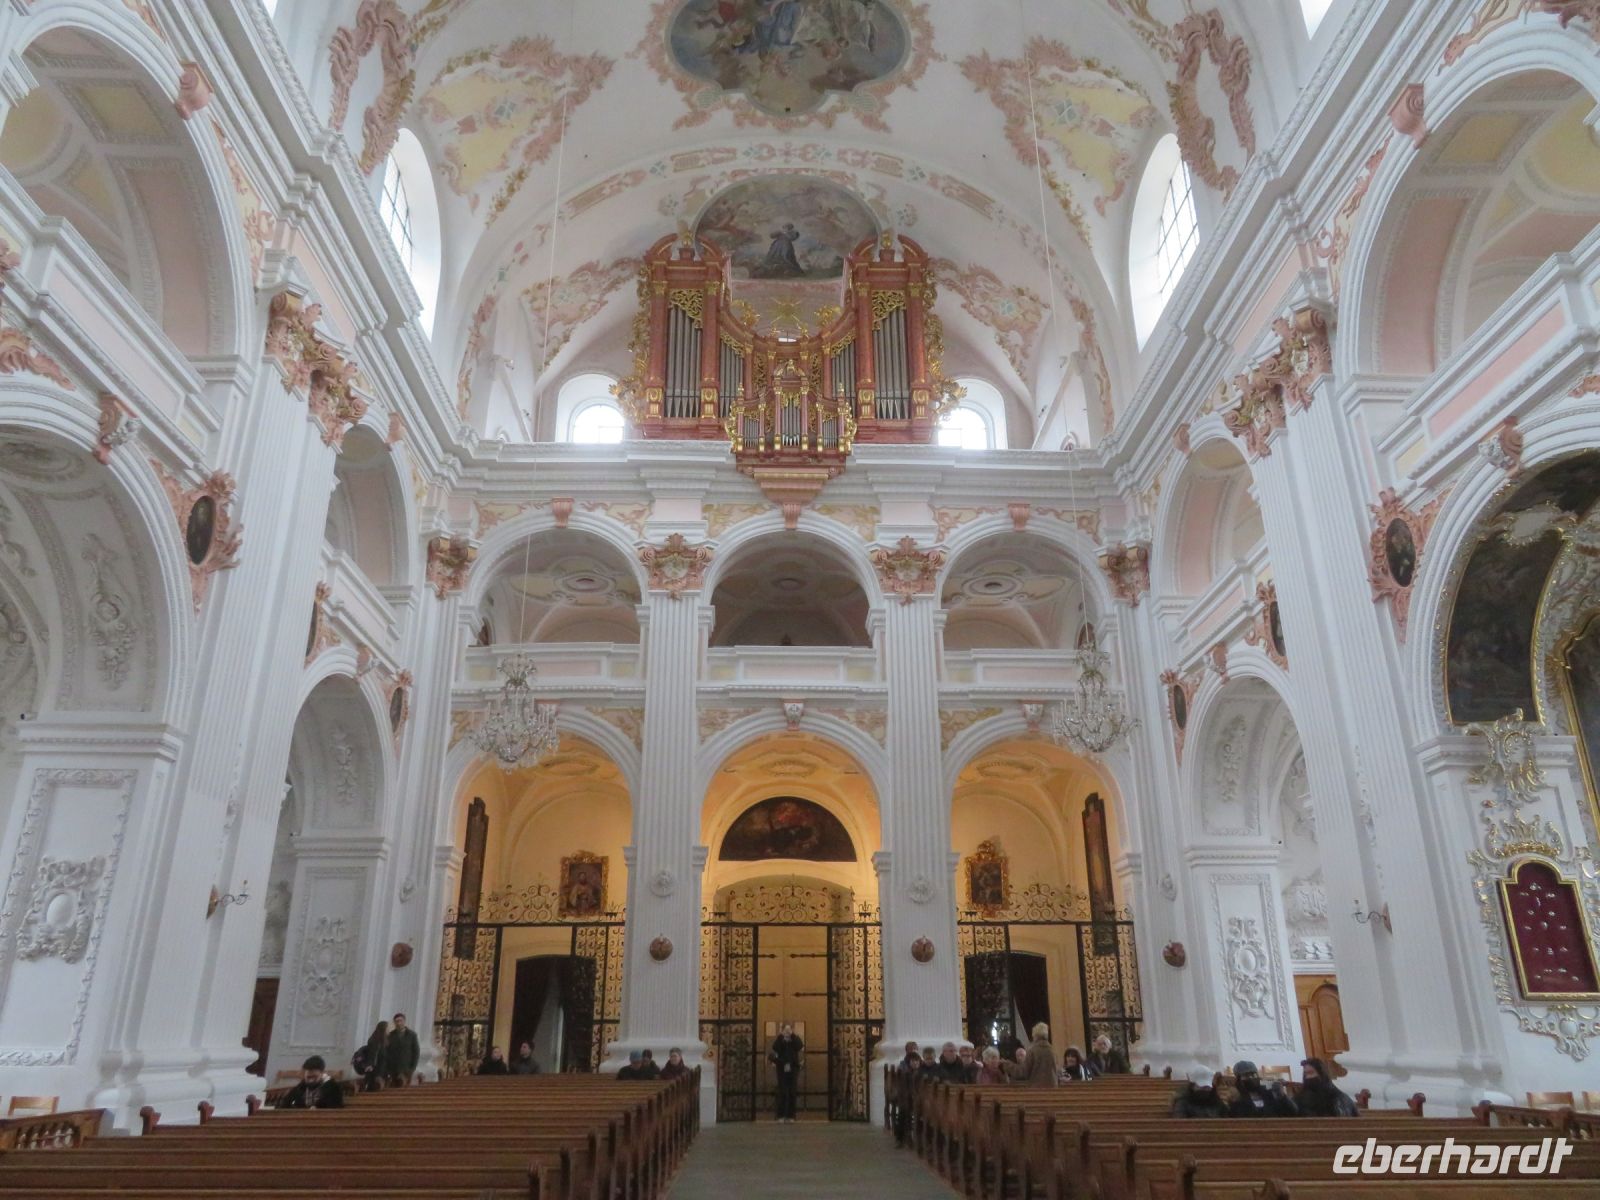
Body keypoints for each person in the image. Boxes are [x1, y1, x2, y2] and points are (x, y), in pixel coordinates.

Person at [1226, 1060, 1298, 1117]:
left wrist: (1282, 1096)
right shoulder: (1237, 1099)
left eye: (1253, 1074)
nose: (1251, 1078)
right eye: (1246, 1075)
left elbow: (1293, 1112)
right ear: (1239, 1079)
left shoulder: (1269, 1093)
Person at [277, 1056, 344, 1109]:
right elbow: (284, 1107)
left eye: (314, 1077)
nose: (310, 1080)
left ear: (322, 1073)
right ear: (304, 1074)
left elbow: (336, 1109)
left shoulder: (333, 1088)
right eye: (308, 1077)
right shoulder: (299, 1088)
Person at [769, 1022, 803, 1122]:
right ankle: (781, 1115)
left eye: (789, 1030)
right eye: (785, 1030)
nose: (787, 1032)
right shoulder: (780, 1040)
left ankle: (791, 1116)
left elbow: (799, 1046)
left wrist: (792, 1036)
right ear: (782, 1030)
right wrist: (781, 1037)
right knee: (782, 1092)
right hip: (782, 1068)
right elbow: (775, 1047)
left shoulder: (794, 1040)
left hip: (793, 1068)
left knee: (792, 1092)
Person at [1007, 1022, 1058, 1087]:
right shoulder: (1052, 1050)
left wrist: (1008, 1065)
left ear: (1035, 1036)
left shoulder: (1033, 1051)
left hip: (1037, 1089)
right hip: (1052, 1089)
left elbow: (1023, 1072)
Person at [893, 1040, 921, 1147]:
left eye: (915, 1048)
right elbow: (900, 1080)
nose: (913, 1051)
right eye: (911, 1049)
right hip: (905, 1095)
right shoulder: (903, 1065)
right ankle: (900, 1138)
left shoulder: (921, 1063)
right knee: (903, 1112)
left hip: (919, 1096)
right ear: (906, 1051)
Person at [386, 1013, 419, 1087]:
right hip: (393, 1069)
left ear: (404, 1021)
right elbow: (387, 1052)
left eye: (400, 1021)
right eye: (396, 1021)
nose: (399, 1023)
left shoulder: (412, 1035)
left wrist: (412, 1068)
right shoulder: (391, 1035)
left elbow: (416, 1052)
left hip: (406, 1068)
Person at [353, 1020, 387, 1092]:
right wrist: (371, 1065)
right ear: (384, 1029)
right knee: (373, 1089)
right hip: (375, 1071)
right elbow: (373, 1055)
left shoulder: (384, 1040)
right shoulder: (375, 1040)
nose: (389, 1030)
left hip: (379, 1071)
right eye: (388, 1028)